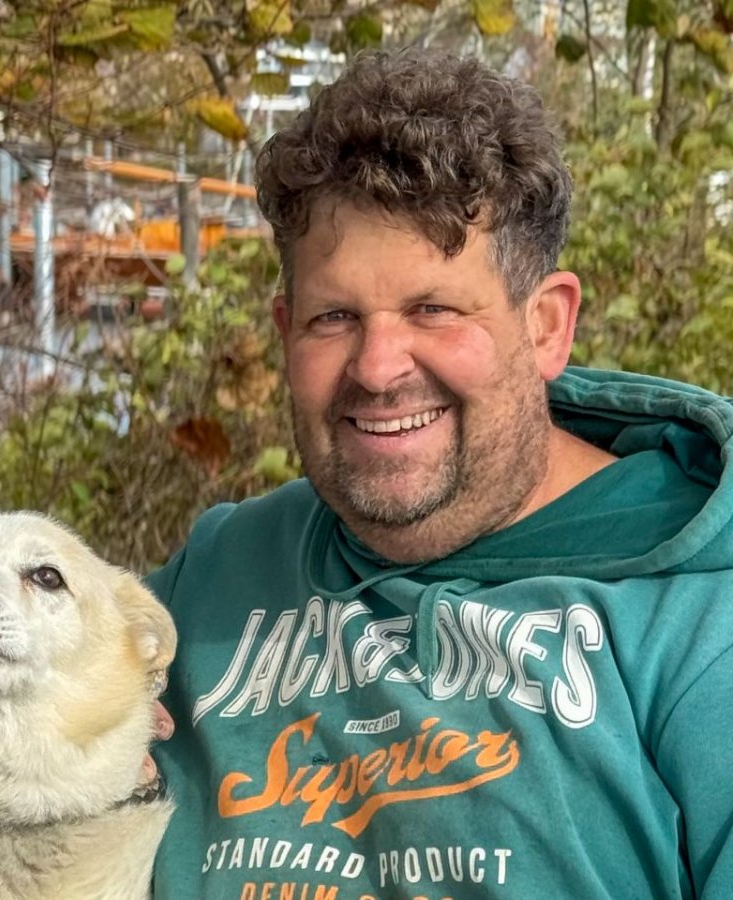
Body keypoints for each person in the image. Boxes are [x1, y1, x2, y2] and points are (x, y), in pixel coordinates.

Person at [144, 48, 733, 899]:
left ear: (547, 326)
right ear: (284, 330)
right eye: (333, 317)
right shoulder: (212, 575)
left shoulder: (700, 627)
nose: (378, 367)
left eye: (434, 309)